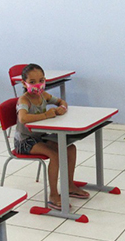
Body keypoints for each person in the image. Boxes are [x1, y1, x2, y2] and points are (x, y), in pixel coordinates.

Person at [13, 63, 90, 208]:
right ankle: (53, 195)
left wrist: (62, 108)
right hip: (24, 141)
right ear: (24, 83)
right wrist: (46, 115)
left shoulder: (43, 95)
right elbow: (23, 118)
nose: (38, 85)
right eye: (32, 82)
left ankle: (70, 186)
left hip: (40, 137)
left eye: (41, 80)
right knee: (55, 155)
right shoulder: (24, 100)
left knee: (70, 148)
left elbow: (61, 101)